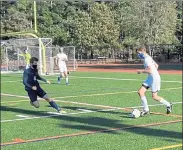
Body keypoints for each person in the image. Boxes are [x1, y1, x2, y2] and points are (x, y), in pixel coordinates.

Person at [136, 47, 172, 116]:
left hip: (155, 79)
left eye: (138, 53)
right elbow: (156, 65)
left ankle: (168, 104)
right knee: (140, 92)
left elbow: (150, 70)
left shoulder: (147, 59)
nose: (138, 55)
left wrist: (141, 71)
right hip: (151, 77)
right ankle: (146, 110)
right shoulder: (148, 57)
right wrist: (153, 73)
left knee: (154, 97)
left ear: (142, 51)